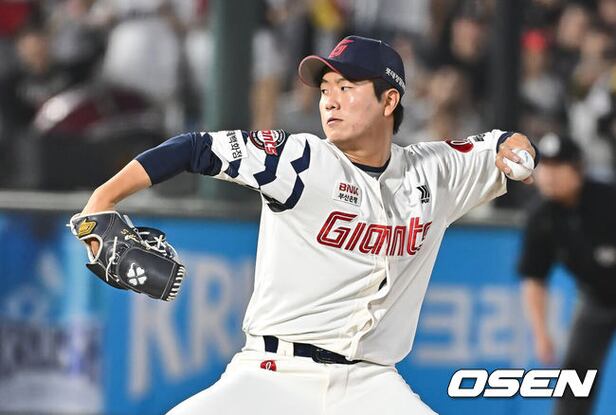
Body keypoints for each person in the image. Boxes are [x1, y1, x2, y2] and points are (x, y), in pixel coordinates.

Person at [79, 35, 536, 414]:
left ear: (389, 100)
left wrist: (516, 149)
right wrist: (102, 199)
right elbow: (194, 148)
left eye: (346, 87)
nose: (329, 100)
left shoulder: (433, 171)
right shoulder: (299, 160)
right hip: (271, 375)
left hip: (371, 384)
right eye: (324, 89)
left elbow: (497, 143)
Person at [518, 132, 616, 415]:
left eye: (558, 166)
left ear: (578, 169)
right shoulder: (541, 216)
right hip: (596, 299)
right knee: (575, 378)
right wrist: (541, 333)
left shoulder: (608, 199)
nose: (549, 175)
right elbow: (534, 278)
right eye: (544, 166)